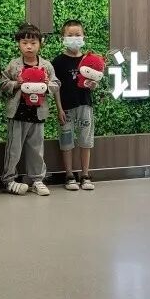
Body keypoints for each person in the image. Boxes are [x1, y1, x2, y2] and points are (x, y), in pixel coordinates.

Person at [0, 22, 60, 196]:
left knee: (37, 149)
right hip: (17, 113)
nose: (29, 46)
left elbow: (57, 84)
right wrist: (16, 84)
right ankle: (9, 180)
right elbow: (3, 84)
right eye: (24, 42)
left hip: (38, 114)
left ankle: (37, 180)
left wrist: (48, 85)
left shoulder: (46, 66)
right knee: (13, 149)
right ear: (18, 44)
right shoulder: (14, 65)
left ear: (40, 44)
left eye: (33, 43)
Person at [52, 20, 99, 190]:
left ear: (83, 36)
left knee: (86, 140)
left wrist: (93, 85)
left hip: (85, 105)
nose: (74, 38)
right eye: (70, 35)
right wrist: (59, 108)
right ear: (63, 38)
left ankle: (85, 175)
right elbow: (56, 87)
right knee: (66, 141)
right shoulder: (57, 62)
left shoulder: (89, 60)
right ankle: (69, 175)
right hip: (66, 108)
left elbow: (94, 81)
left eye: (78, 35)